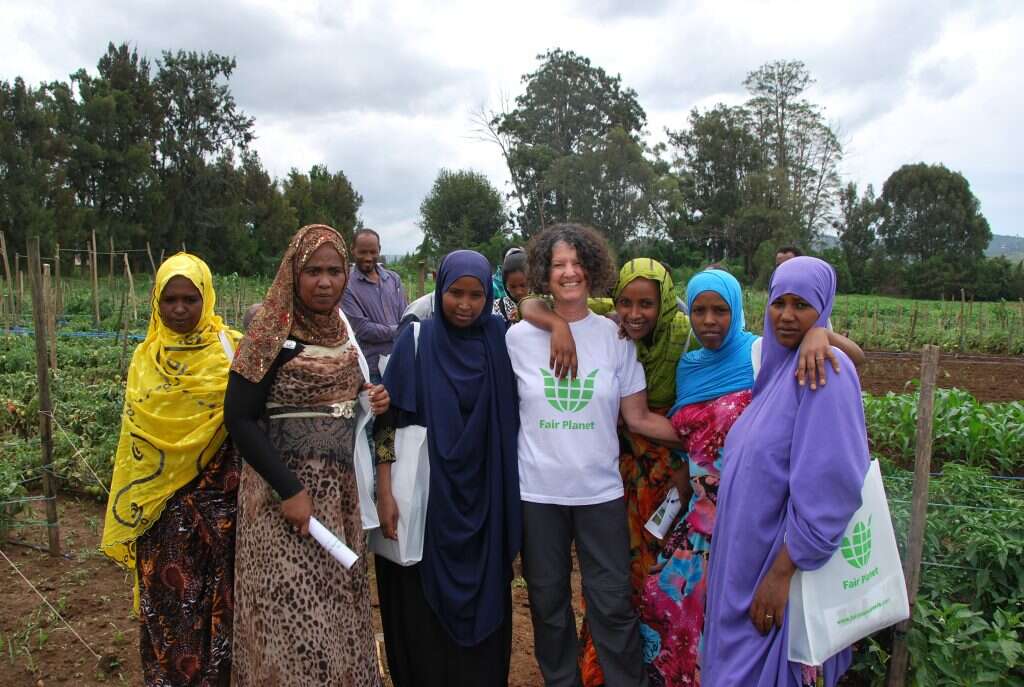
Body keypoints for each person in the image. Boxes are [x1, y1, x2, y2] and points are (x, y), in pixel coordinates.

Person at [508, 223, 680, 687]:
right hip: (538, 494)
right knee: (548, 603)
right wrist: (556, 324)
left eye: (577, 263)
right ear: (544, 272)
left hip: (600, 495)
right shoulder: (517, 338)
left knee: (611, 601)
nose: (569, 272)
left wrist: (709, 439)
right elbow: (523, 309)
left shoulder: (615, 337)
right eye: (558, 264)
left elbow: (638, 418)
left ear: (593, 269)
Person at [224, 224, 390, 686]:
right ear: (293, 273)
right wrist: (289, 489)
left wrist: (371, 398)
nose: (325, 282)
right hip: (283, 503)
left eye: (334, 271)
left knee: (336, 616)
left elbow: (344, 394)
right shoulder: (269, 332)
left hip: (337, 499)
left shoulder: (341, 329)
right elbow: (239, 417)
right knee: (292, 624)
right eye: (313, 271)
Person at [701, 257, 870, 686]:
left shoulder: (826, 372)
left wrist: (780, 575)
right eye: (779, 303)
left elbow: (832, 491)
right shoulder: (777, 374)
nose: (787, 316)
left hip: (777, 579)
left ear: (824, 308)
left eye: (803, 305)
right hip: (741, 572)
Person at [373, 249, 522, 686]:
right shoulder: (417, 341)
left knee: (487, 600)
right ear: (440, 290)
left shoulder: (499, 339)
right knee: (422, 610)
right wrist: (385, 491)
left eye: (477, 295)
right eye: (456, 293)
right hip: (428, 502)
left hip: (486, 500)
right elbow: (387, 423)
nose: (465, 304)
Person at [100, 252, 241, 686]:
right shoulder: (146, 359)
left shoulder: (232, 350)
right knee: (169, 622)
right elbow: (136, 444)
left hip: (221, 516)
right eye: (170, 299)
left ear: (207, 299)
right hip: (161, 517)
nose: (179, 309)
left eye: (190, 299)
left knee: (223, 619)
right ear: (156, 302)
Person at [341, 227, 408, 382]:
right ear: (352, 250)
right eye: (362, 252)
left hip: (400, 361)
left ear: (379, 250)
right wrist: (399, 330)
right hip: (372, 369)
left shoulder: (393, 279)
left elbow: (406, 315)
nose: (368, 257)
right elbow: (363, 329)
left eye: (373, 252)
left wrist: (403, 328)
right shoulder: (346, 285)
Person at [493, 247, 529, 325]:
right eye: (513, 287)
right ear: (505, 284)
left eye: (523, 285)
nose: (518, 292)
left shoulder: (545, 304)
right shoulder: (496, 308)